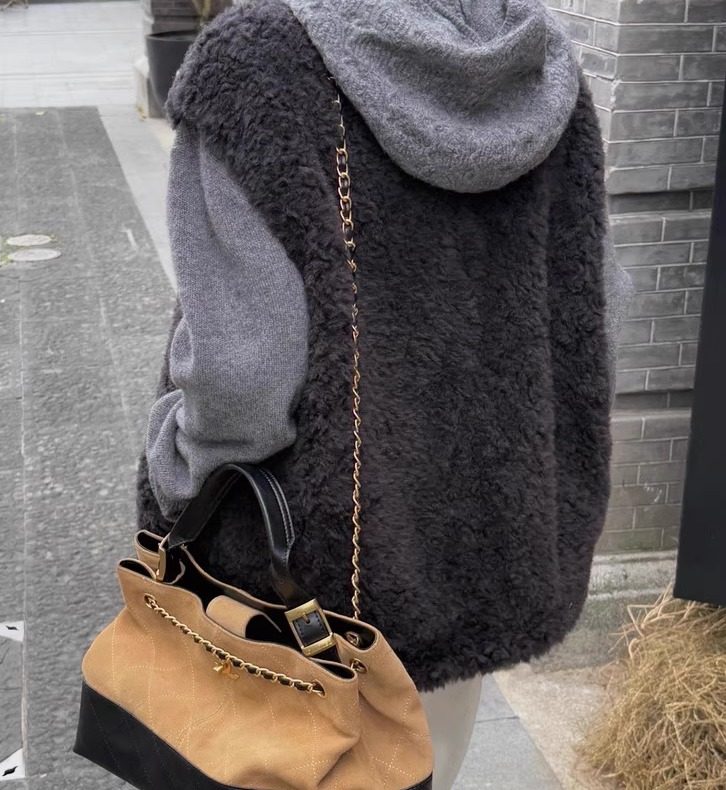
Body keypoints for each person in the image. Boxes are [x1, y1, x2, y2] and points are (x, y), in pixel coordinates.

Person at [136, 1, 635, 787]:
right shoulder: (535, 64)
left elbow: (243, 376)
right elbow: (596, 313)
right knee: (426, 762)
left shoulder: (253, 64)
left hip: (314, 575)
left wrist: (176, 467)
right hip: (487, 540)